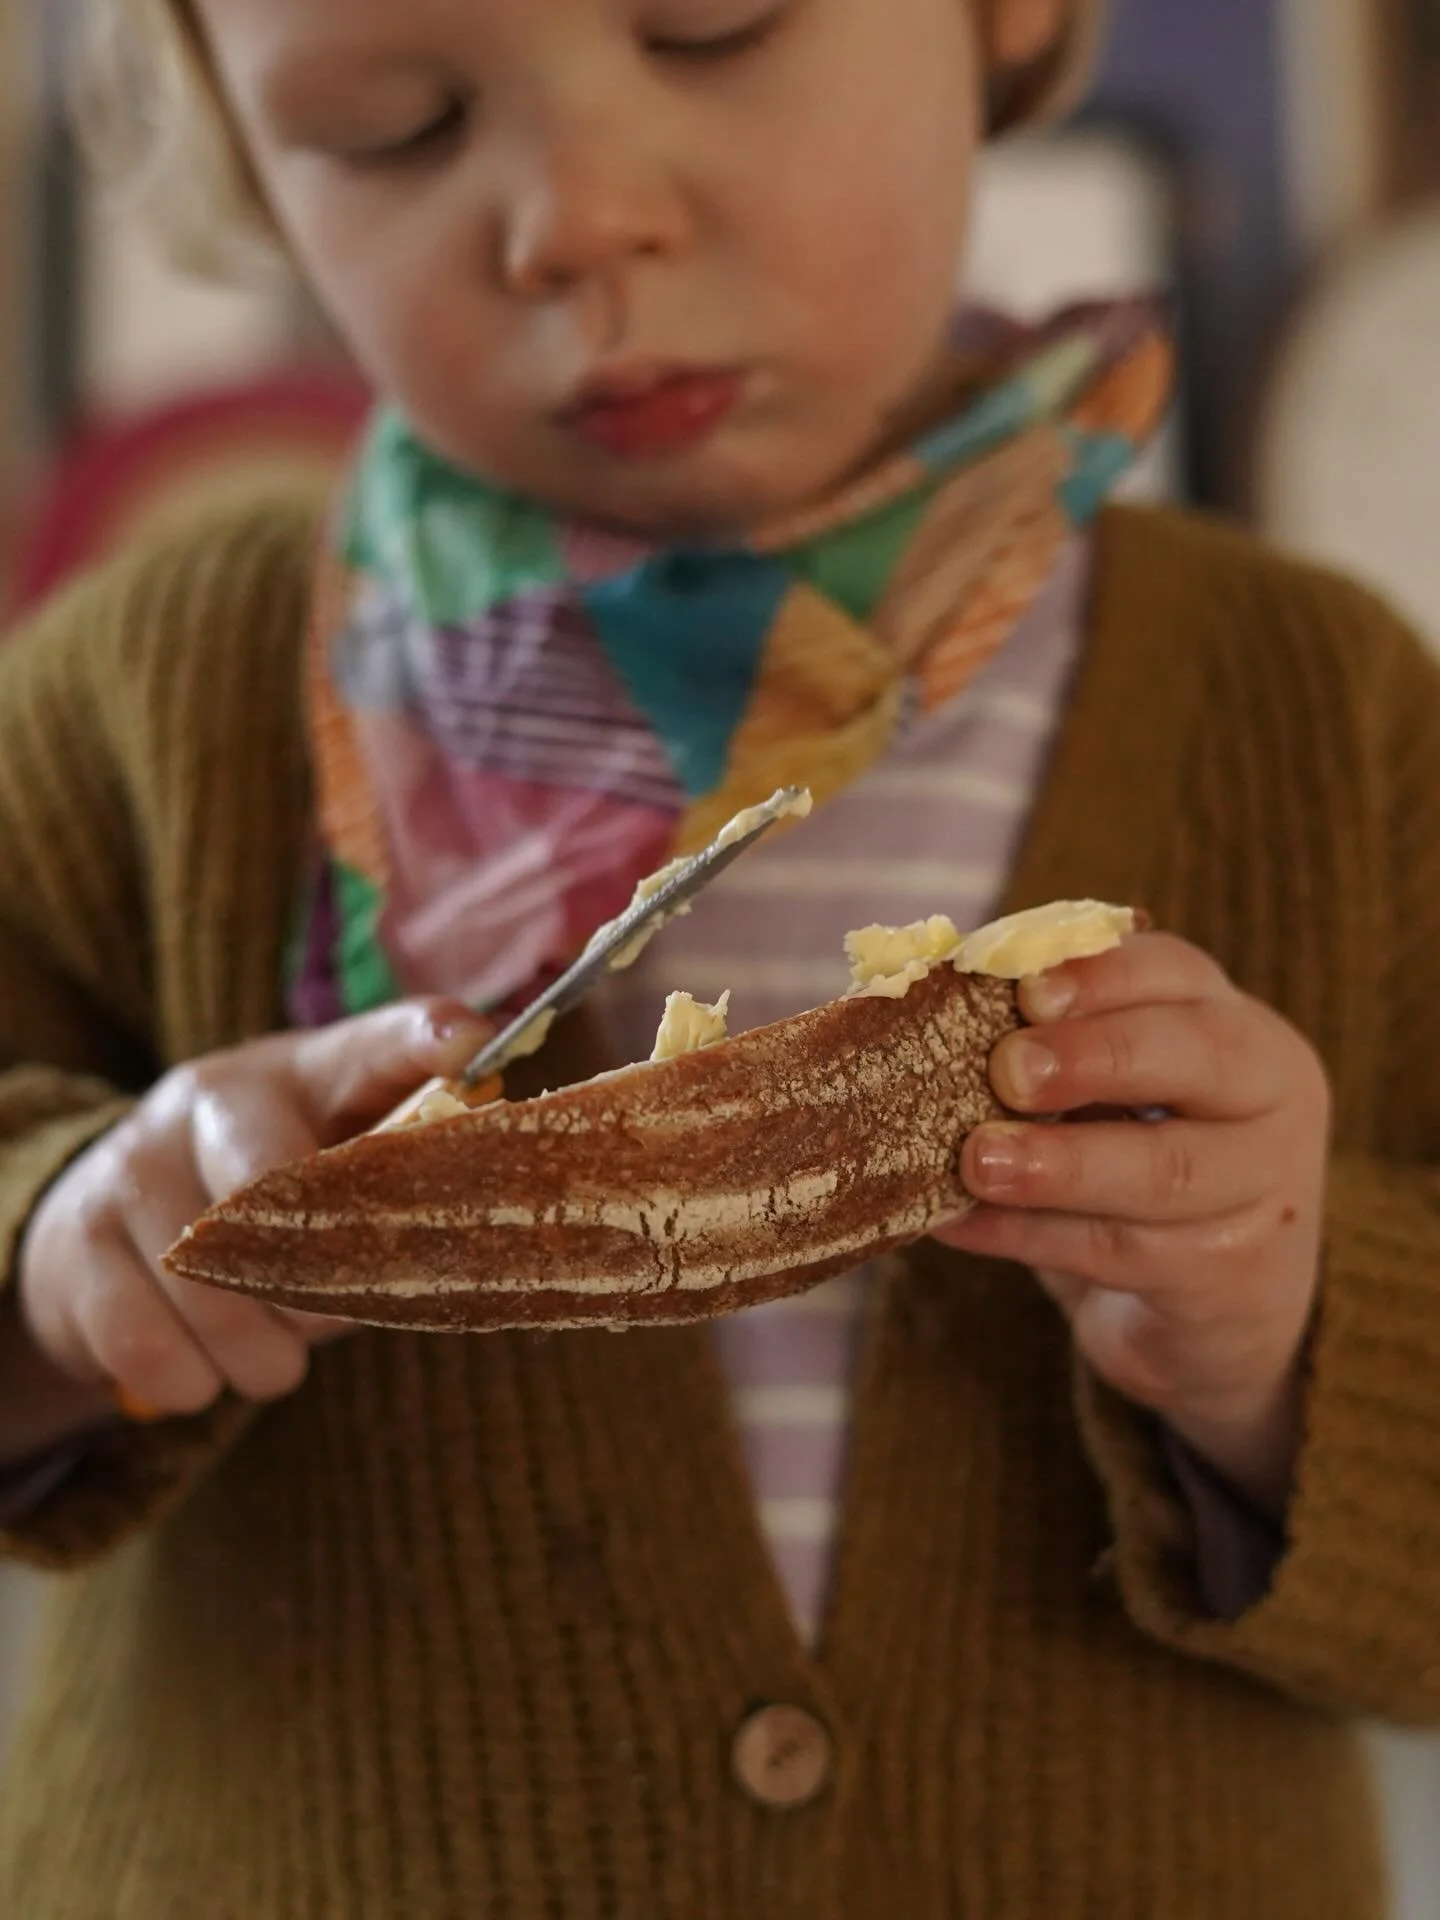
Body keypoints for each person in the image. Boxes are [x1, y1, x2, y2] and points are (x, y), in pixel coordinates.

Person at [0, 0, 1437, 1912]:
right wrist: (59, 1253)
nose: (575, 220)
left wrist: (1284, 1347)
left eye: (711, 27)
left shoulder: (1321, 706)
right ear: (251, 168)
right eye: (402, 128)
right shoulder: (136, 696)